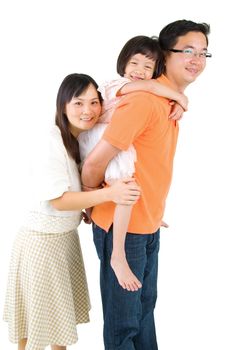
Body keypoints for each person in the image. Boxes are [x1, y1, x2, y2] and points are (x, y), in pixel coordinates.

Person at [81, 20, 212, 350]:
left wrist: (152, 210)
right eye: (187, 51)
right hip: (121, 227)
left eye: (203, 52)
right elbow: (96, 161)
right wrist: (91, 201)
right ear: (165, 56)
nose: (197, 59)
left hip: (146, 222)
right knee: (125, 323)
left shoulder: (170, 103)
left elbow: (149, 166)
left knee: (143, 312)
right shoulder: (143, 102)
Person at [3, 73, 140, 350]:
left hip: (63, 241)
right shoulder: (50, 140)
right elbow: (58, 200)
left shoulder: (79, 139)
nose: (87, 111)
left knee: (54, 328)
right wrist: (110, 194)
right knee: (38, 332)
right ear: (63, 105)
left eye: (93, 102)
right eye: (78, 103)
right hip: (42, 244)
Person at [78, 35, 188, 292]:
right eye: (134, 63)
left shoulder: (148, 97)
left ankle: (109, 216)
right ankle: (118, 254)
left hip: (113, 145)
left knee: (126, 188)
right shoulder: (117, 85)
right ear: (123, 63)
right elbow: (151, 88)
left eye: (147, 67)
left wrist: (177, 102)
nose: (139, 71)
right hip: (98, 141)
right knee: (125, 188)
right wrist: (182, 99)